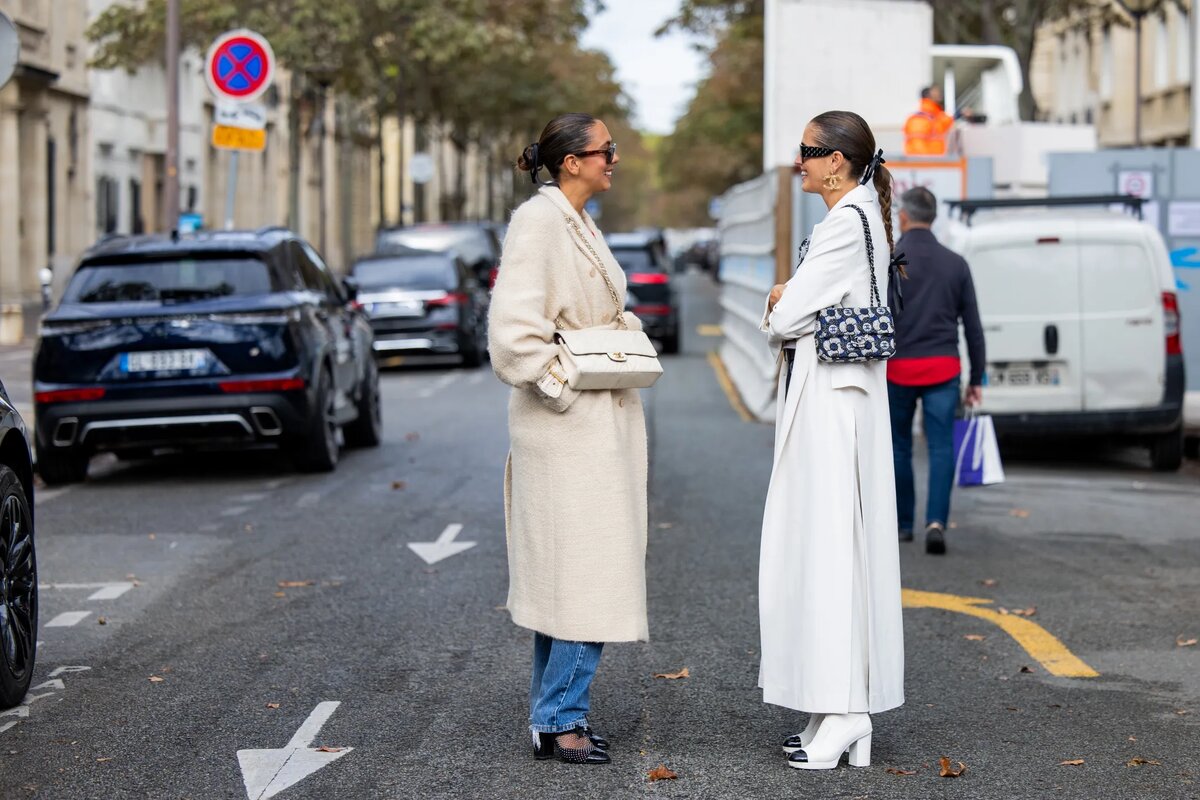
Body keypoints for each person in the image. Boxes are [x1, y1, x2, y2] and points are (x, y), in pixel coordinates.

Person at [488, 112, 648, 766]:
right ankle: (561, 720)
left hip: (591, 431)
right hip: (569, 433)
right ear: (571, 162)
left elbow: (592, 311)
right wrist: (569, 388)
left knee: (569, 583)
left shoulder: (576, 221)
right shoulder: (540, 223)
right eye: (605, 150)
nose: (615, 158)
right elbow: (513, 339)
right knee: (589, 580)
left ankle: (551, 716)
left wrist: (618, 336)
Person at [759, 110, 905, 771]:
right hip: (843, 400)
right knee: (831, 552)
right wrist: (794, 301)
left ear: (837, 161)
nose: (801, 161)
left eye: (808, 150)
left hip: (831, 406)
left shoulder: (845, 223)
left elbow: (790, 315)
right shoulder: (861, 216)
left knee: (827, 553)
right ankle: (834, 706)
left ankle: (846, 713)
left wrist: (782, 300)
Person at [887, 187, 985, 554]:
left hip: (897, 368)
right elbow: (973, 327)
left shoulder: (891, 260)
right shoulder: (955, 264)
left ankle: (903, 524)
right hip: (943, 368)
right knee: (941, 446)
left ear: (903, 217)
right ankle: (936, 522)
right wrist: (976, 378)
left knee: (899, 447)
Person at [903, 86, 954, 156]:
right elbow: (917, 146)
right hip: (926, 161)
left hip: (936, 160)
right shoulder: (919, 119)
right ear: (928, 95)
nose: (940, 94)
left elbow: (946, 121)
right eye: (935, 92)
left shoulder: (935, 117)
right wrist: (927, 161)